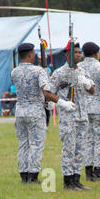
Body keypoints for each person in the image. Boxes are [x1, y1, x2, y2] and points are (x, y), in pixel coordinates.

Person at [11, 43, 70, 184]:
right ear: (31, 54)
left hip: (20, 111)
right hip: (35, 112)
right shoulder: (38, 71)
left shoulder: (14, 71)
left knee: (23, 144)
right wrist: (61, 102)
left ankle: (23, 175)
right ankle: (33, 175)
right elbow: (46, 92)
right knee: (36, 144)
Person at [50, 41, 95, 191]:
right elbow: (48, 92)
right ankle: (68, 181)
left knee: (80, 149)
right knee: (69, 149)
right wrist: (61, 102)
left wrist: (87, 83)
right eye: (74, 52)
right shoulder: (59, 73)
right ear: (66, 54)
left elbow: (93, 91)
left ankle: (76, 180)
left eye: (78, 52)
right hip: (69, 116)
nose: (78, 55)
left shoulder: (82, 71)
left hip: (83, 116)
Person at [78, 42, 100, 181]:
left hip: (83, 108)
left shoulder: (78, 67)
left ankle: (88, 171)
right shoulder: (99, 67)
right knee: (98, 140)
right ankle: (98, 171)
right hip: (97, 107)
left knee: (86, 140)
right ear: (96, 53)